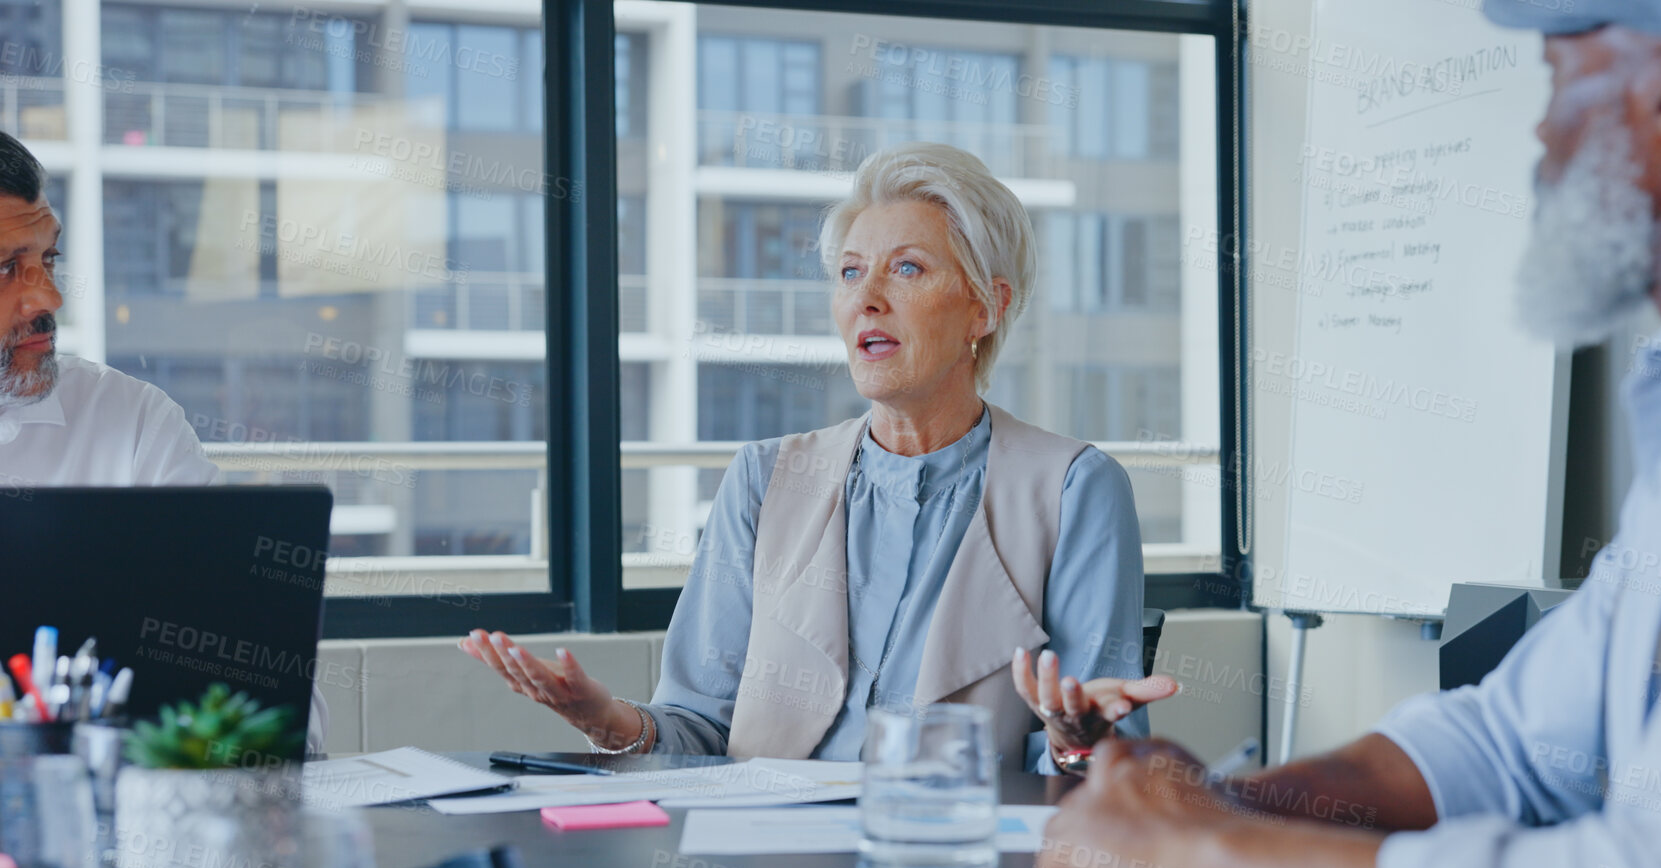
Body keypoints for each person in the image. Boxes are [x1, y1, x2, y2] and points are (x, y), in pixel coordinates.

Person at [1037, 1, 1661, 868]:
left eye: (1557, 73)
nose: (1542, 133)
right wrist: (1212, 804)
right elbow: (1506, 743)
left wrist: (1208, 851)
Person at [463, 141, 1178, 772]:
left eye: (906, 268)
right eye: (848, 272)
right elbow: (702, 729)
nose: (865, 298)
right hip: (769, 858)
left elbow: (1094, 751)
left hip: (950, 858)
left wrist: (1075, 742)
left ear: (984, 309)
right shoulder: (766, 477)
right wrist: (607, 720)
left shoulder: (1073, 488)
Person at [0, 116, 326, 751]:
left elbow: (274, 714)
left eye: (47, 259)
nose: (49, 297)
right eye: (2, 269)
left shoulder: (133, 424)